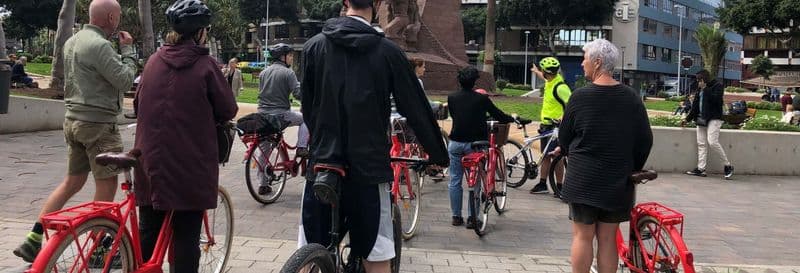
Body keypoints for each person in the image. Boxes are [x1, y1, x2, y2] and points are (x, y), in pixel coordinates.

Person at [298, 0, 449, 272]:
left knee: (311, 251)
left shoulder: (313, 47)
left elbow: (309, 108)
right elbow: (415, 107)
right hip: (367, 168)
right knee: (377, 255)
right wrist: (437, 154)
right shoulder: (388, 52)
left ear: (345, 3)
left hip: (322, 165)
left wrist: (321, 142)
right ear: (377, 4)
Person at [13, 0, 136, 262]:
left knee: (72, 181)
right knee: (106, 186)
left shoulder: (72, 41)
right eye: (119, 17)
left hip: (73, 122)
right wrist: (128, 50)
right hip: (98, 126)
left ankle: (34, 238)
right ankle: (96, 249)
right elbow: (125, 79)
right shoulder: (100, 45)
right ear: (112, 17)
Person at [133, 1, 238, 272]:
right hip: (189, 166)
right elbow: (228, 109)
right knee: (186, 238)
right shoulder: (206, 65)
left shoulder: (153, 61)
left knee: (148, 233)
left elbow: (137, 104)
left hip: (148, 162)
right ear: (201, 32)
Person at [558, 38, 653, 273]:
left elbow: (564, 138)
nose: (582, 64)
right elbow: (645, 140)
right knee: (608, 239)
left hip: (583, 178)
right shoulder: (631, 97)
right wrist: (632, 166)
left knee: (582, 236)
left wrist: (576, 157)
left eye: (585, 59)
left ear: (598, 62)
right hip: (617, 179)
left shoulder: (579, 97)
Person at [447, 66, 517, 227]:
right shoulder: (481, 99)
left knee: (455, 180)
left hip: (455, 143)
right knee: (476, 181)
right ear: (474, 82)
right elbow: (498, 114)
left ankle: (456, 216)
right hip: (475, 145)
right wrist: (511, 119)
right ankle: (473, 217)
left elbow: (455, 115)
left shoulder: (452, 98)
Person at [257, 43, 310, 195]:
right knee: (305, 119)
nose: (292, 58)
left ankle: (263, 184)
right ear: (283, 57)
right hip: (281, 114)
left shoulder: (264, 72)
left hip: (262, 114)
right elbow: (298, 94)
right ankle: (301, 147)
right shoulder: (288, 73)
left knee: (264, 150)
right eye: (290, 55)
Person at [529, 57, 571, 196]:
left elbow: (572, 106)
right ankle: (542, 184)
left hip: (556, 128)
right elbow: (545, 76)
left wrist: (562, 118)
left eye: (542, 71)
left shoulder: (561, 87)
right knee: (546, 156)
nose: (542, 73)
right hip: (545, 126)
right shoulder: (550, 80)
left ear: (547, 72)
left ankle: (560, 186)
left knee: (556, 157)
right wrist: (536, 71)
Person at [683, 69, 734, 179]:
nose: (697, 82)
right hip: (701, 119)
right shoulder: (699, 89)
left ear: (704, 79)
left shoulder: (717, 86)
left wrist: (705, 89)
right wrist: (687, 119)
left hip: (714, 118)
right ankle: (701, 169)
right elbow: (695, 107)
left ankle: (728, 165)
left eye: (699, 80)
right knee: (701, 144)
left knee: (712, 142)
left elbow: (716, 100)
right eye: (697, 80)